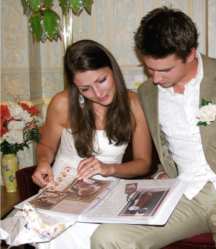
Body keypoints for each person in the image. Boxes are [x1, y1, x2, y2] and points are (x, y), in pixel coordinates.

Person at [91, 7, 216, 249]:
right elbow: (164, 145)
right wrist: (162, 171)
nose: (156, 79)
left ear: (191, 53)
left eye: (165, 70)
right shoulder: (148, 93)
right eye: (149, 69)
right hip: (182, 196)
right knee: (106, 238)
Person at [31, 39, 152, 249]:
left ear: (112, 70)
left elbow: (143, 163)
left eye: (102, 80)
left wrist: (108, 168)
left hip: (110, 187)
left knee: (100, 234)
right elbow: (46, 146)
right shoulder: (63, 103)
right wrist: (43, 162)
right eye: (85, 89)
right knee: (63, 231)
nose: (98, 93)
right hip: (63, 186)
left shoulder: (134, 104)